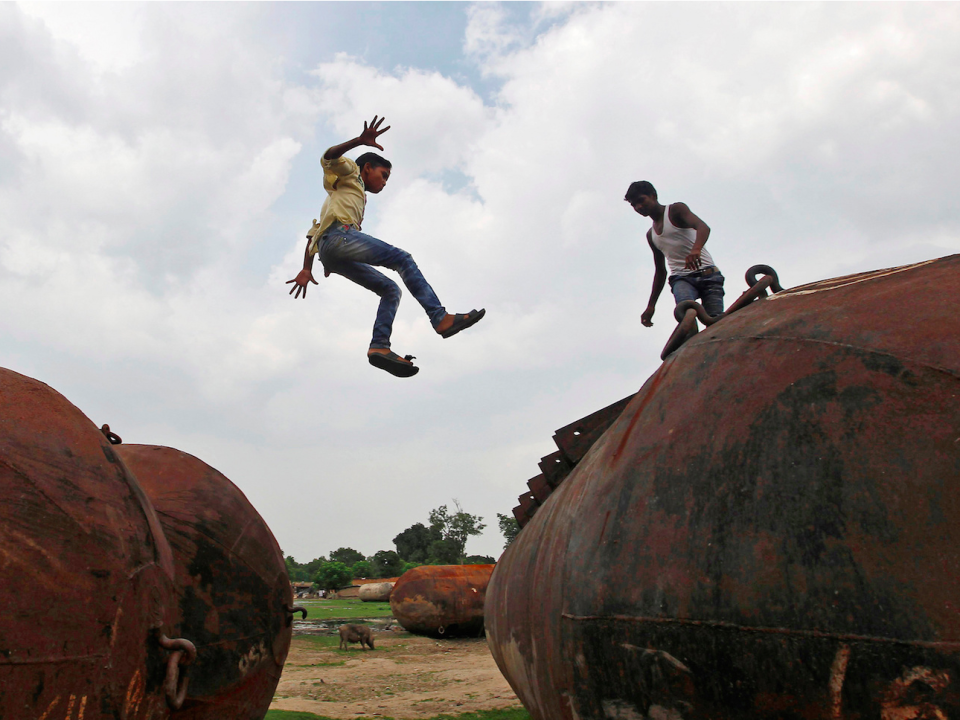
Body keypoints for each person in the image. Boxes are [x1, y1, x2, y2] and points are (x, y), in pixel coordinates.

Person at [287, 116, 485, 377]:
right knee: (403, 259)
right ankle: (440, 318)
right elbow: (328, 157)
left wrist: (306, 268)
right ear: (367, 168)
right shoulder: (351, 174)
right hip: (338, 238)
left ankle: (379, 346)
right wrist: (359, 141)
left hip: (331, 252)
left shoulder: (343, 198)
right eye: (383, 175)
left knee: (390, 290)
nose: (384, 182)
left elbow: (313, 234)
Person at [624, 181, 724, 327]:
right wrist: (651, 306)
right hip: (682, 279)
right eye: (634, 205)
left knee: (715, 322)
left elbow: (703, 227)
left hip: (708, 274)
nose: (639, 207)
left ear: (653, 196)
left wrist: (696, 249)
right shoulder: (651, 235)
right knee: (685, 315)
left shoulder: (676, 210)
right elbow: (660, 271)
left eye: (641, 201)